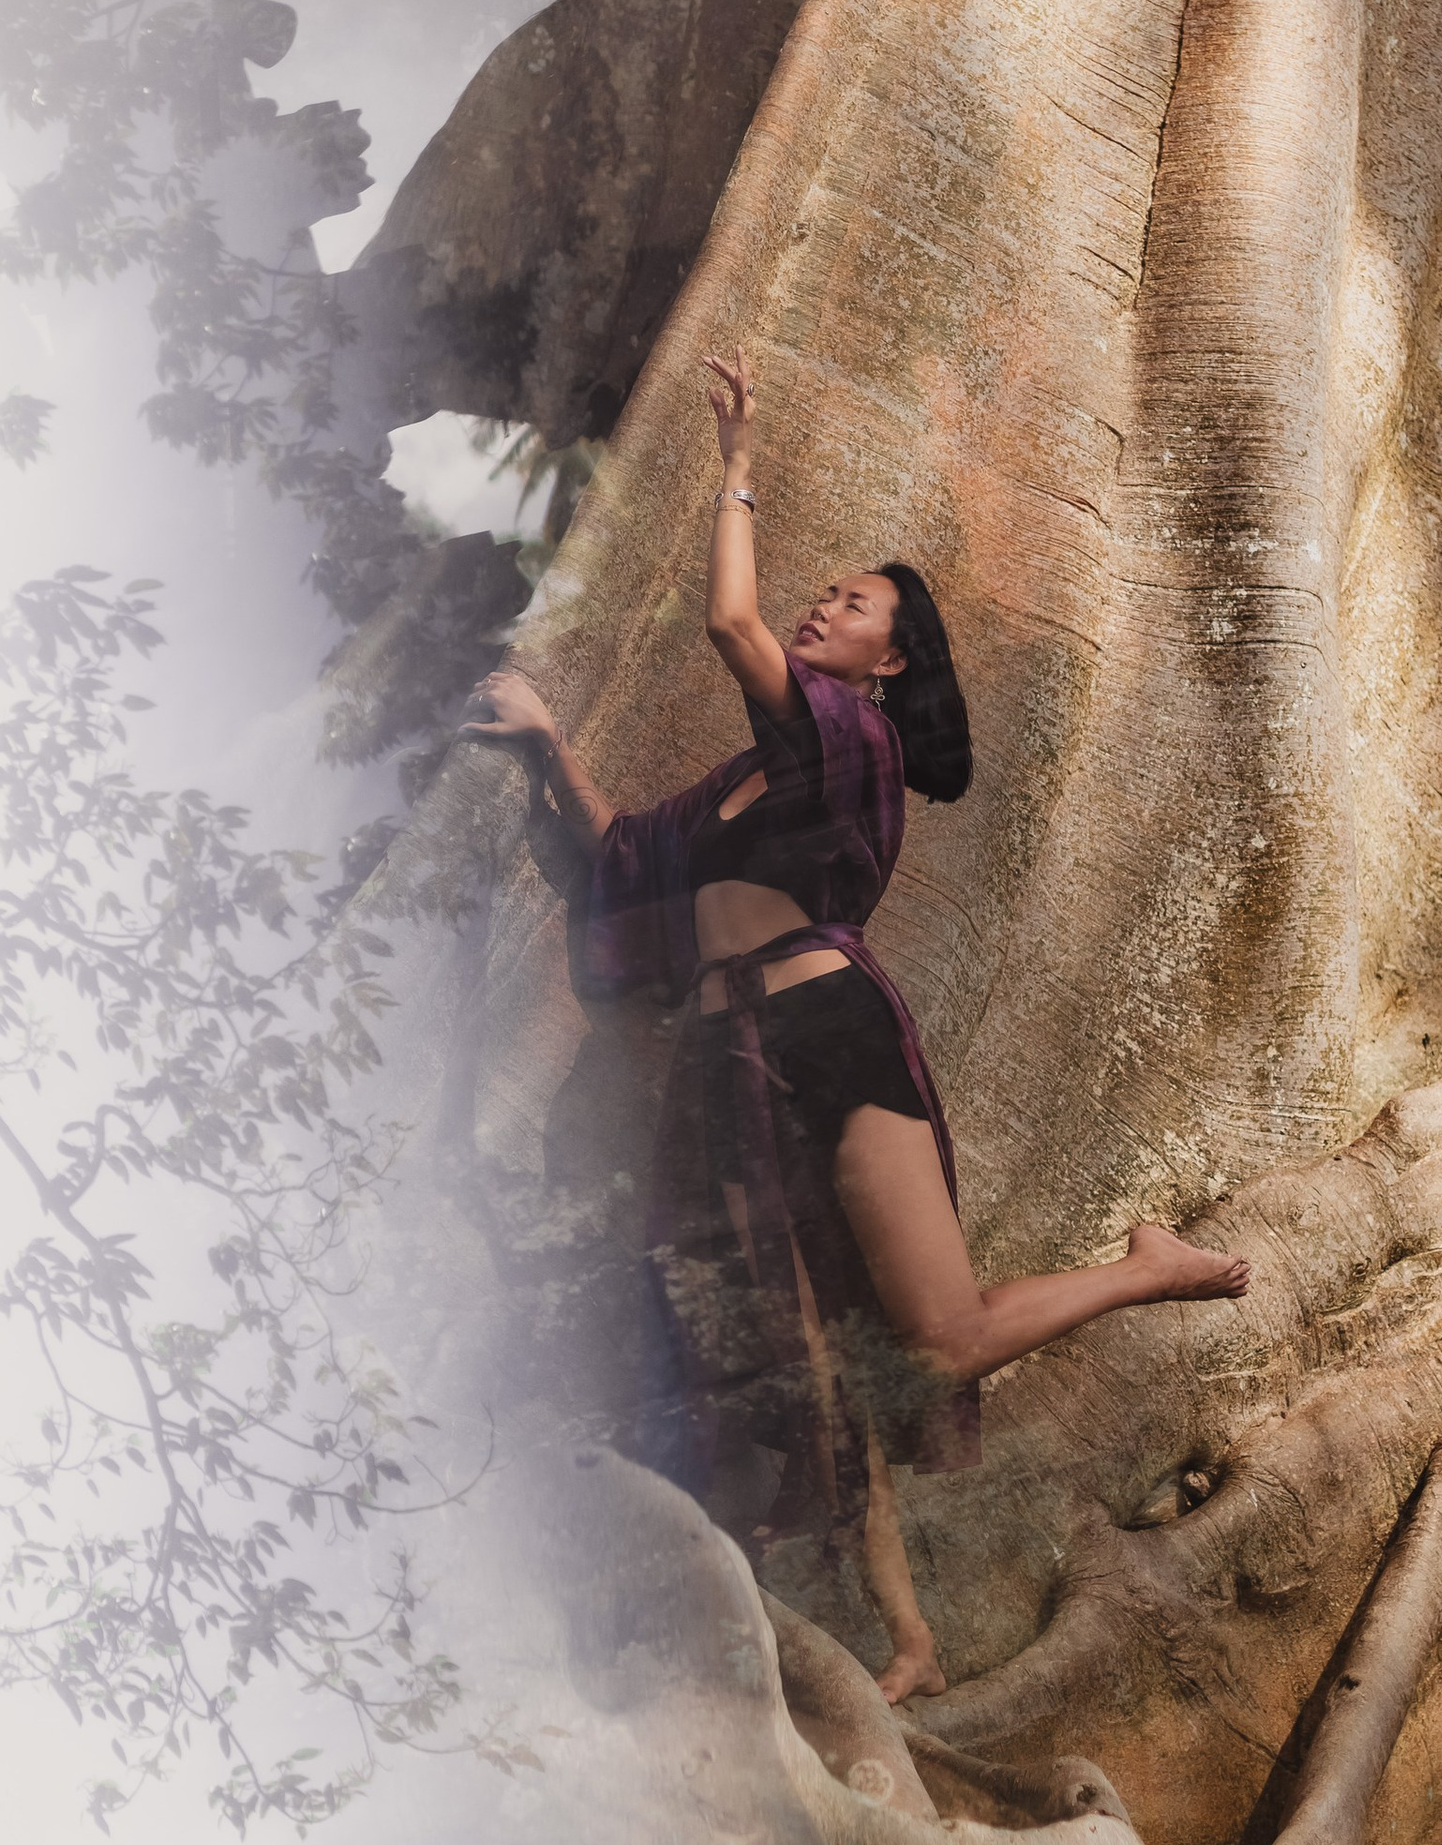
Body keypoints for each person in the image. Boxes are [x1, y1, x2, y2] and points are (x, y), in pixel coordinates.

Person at [471, 348, 1252, 1702]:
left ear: (890, 662)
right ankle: (910, 1641)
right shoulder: (748, 778)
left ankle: (1150, 1269)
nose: (824, 607)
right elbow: (622, 859)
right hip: (729, 1065)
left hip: (832, 1033)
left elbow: (731, 625)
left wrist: (737, 466)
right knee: (808, 1356)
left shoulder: (854, 740)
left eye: (853, 604)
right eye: (826, 593)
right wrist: (547, 742)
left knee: (937, 1337)